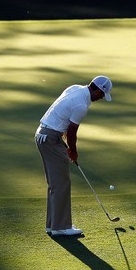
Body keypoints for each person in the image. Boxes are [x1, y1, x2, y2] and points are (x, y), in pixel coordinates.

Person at [35, 75, 113, 236]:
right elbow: (72, 132)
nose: (101, 98)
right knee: (61, 183)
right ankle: (60, 227)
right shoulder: (81, 105)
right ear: (98, 90)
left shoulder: (75, 88)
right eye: (102, 95)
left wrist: (63, 142)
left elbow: (61, 116)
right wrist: (73, 151)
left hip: (44, 134)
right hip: (50, 138)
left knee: (56, 183)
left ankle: (52, 224)